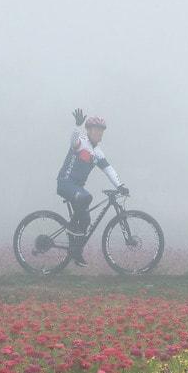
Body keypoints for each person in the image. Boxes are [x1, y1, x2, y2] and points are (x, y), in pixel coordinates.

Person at [56, 108, 128, 266]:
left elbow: (109, 169)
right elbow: (73, 141)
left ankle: (76, 252)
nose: (99, 133)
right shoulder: (81, 142)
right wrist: (77, 125)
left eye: (101, 131)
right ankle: (71, 229)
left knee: (86, 219)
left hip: (77, 189)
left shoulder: (98, 153)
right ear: (88, 130)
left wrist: (120, 185)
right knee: (86, 198)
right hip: (65, 183)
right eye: (96, 130)